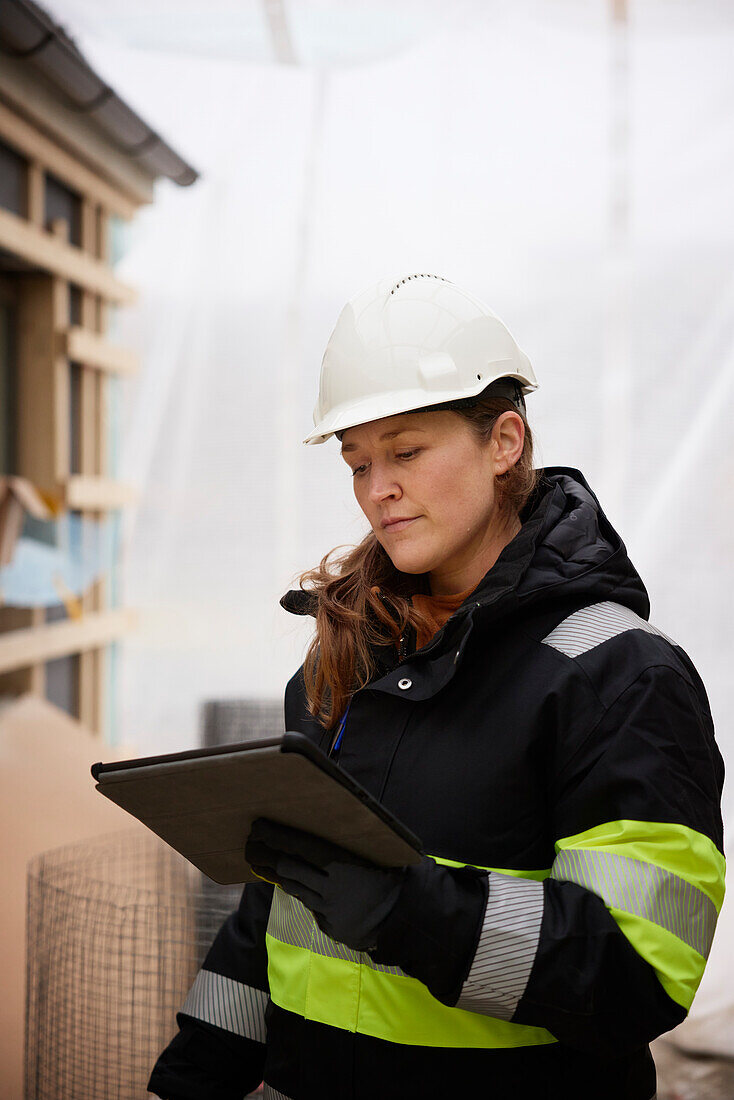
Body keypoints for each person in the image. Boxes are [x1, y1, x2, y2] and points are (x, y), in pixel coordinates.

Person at [148, 274, 725, 1100]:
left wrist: (410, 914)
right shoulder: (343, 657)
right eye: (358, 461)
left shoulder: (621, 678)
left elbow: (636, 974)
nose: (377, 489)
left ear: (504, 442)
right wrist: (192, 1079)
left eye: (406, 452)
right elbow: (273, 914)